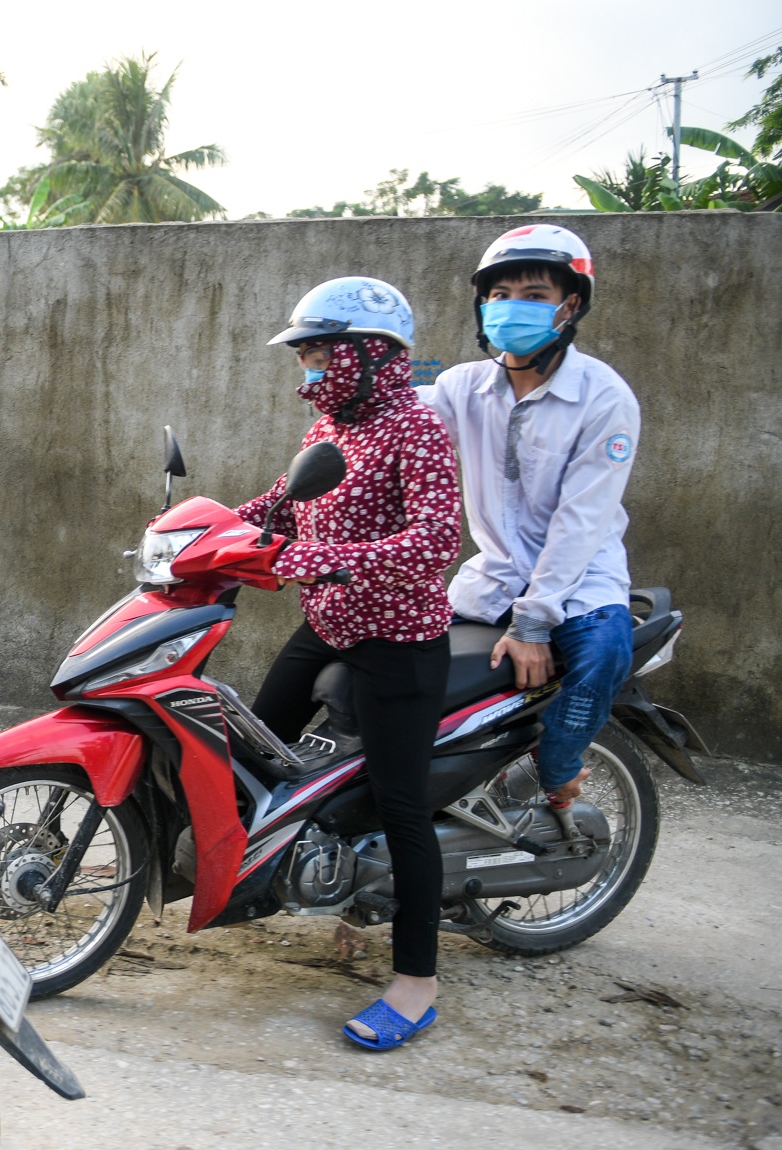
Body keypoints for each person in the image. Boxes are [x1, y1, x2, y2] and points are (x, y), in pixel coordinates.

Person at [236, 277, 461, 1052]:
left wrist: (328, 559)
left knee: (404, 807)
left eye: (318, 354)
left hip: (398, 642)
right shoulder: (330, 430)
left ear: (368, 355)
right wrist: (202, 531)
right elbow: (277, 505)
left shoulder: (415, 429)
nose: (307, 374)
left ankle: (416, 984)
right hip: (328, 625)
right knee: (254, 745)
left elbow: (437, 543)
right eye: (302, 358)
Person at [422, 225, 638, 818]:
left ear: (570, 306)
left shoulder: (603, 397)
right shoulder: (460, 387)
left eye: (534, 294)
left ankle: (558, 769)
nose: (512, 305)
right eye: (500, 293)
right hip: (490, 577)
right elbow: (391, 428)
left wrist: (537, 623)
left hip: (579, 582)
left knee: (602, 658)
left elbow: (582, 520)